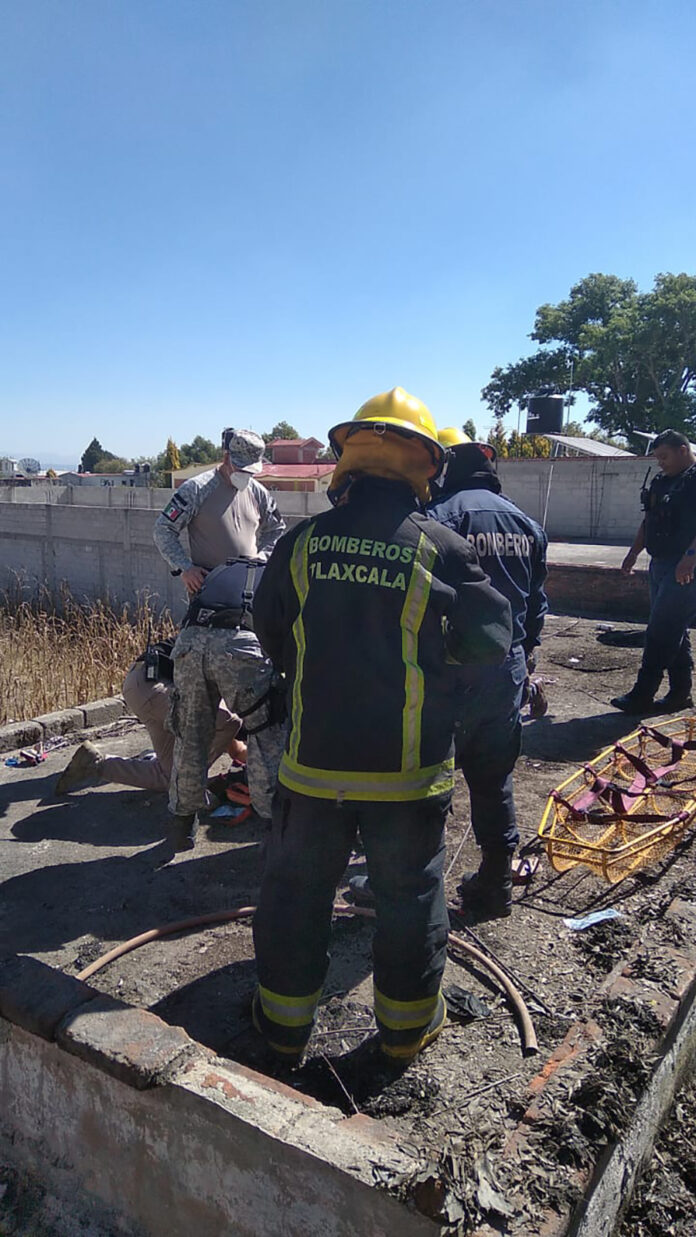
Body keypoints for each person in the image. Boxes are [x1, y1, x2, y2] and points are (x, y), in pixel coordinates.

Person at [251, 388, 512, 1064]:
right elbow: (491, 638)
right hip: (410, 775)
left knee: (295, 893)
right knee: (409, 898)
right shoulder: (442, 546)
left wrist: (312, 666)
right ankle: (405, 1032)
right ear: (426, 465)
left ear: (348, 464)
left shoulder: (302, 544)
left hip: (313, 770)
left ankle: (282, 1028)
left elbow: (270, 630)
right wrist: (436, 664)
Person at [426, 431, 548, 920]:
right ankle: (497, 881)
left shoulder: (438, 518)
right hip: (507, 666)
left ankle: (414, 884)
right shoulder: (527, 523)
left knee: (427, 775)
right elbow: (537, 604)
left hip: (447, 669)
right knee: (493, 777)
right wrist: (526, 657)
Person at [153, 428, 287, 849]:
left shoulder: (258, 494)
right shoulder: (197, 490)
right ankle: (267, 826)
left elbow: (276, 531)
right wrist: (184, 569)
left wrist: (259, 561)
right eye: (241, 467)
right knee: (256, 728)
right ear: (226, 458)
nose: (246, 475)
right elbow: (164, 531)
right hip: (211, 608)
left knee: (199, 729)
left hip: (241, 610)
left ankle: (187, 817)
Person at [54, 639, 246, 796]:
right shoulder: (245, 654)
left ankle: (95, 764)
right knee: (228, 722)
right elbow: (229, 732)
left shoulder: (233, 632)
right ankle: (189, 783)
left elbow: (233, 746)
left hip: (145, 682)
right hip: (154, 687)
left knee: (167, 777)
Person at [612, 429, 696, 714]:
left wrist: (690, 556)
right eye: (657, 457)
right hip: (659, 563)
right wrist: (633, 553)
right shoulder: (661, 482)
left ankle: (642, 694)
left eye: (664, 456)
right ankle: (680, 693)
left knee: (661, 630)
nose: (660, 462)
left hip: (685, 566)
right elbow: (648, 521)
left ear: (683, 450)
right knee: (674, 629)